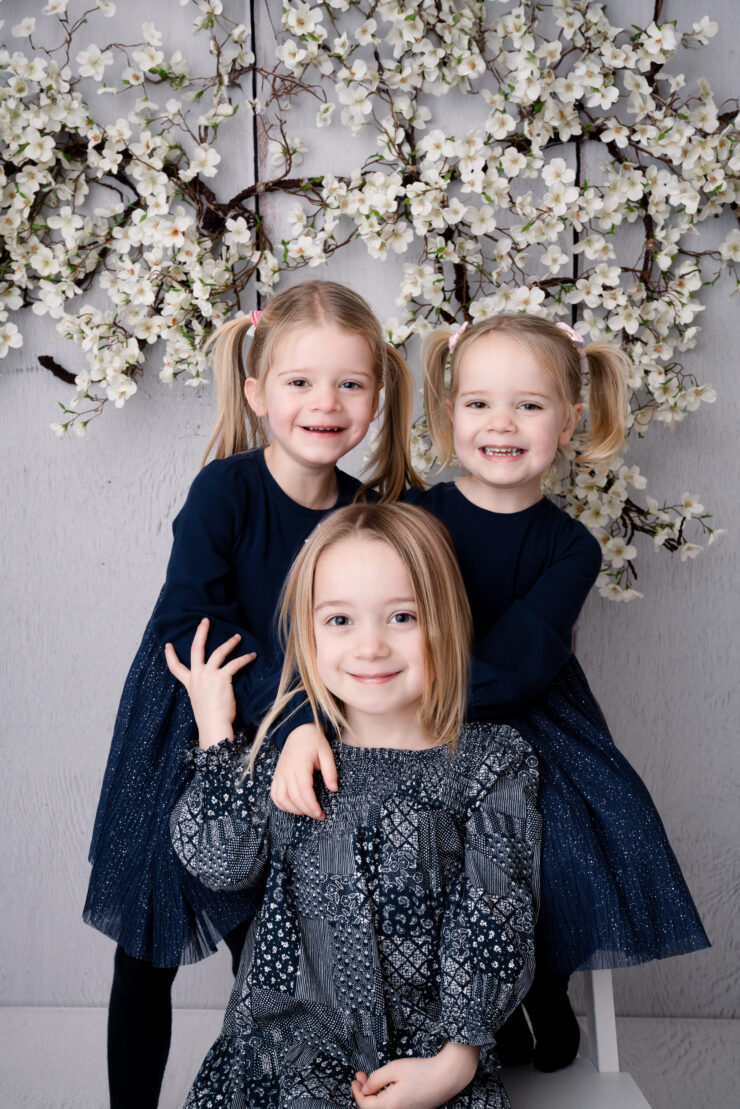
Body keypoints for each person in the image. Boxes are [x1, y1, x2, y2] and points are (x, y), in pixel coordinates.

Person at [272, 313, 710, 1074]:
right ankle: (440, 1006)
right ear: (448, 416)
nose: (500, 423)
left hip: (525, 715)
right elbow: (345, 623)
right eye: (477, 404)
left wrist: (414, 705)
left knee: (554, 844)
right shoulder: (417, 515)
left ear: (571, 420)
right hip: (400, 710)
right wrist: (331, 715)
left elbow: (517, 664)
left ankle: (539, 987)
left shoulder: (571, 545)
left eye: (529, 406)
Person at [82, 280, 421, 1109]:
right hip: (191, 730)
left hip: (300, 752)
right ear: (256, 392)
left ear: (377, 396)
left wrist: (314, 719)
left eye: (349, 383)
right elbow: (189, 626)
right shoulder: (225, 491)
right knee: (145, 950)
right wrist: (294, 712)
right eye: (301, 382)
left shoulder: (369, 516)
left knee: (271, 943)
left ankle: (266, 1093)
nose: (325, 403)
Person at [167, 502, 541, 1109]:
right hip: (285, 1054)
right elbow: (220, 864)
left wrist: (455, 1059)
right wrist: (217, 734)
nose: (370, 647)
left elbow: (498, 911)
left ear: (443, 621)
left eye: (401, 616)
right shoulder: (291, 755)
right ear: (308, 633)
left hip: (427, 1055)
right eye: (339, 620)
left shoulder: (488, 761)